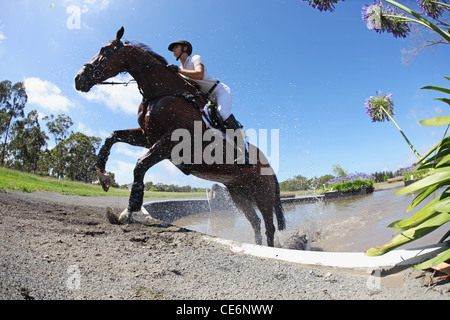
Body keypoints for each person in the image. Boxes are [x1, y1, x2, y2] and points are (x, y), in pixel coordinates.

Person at [168, 40, 250, 164]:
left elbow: (199, 75)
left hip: (220, 91)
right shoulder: (180, 68)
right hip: (208, 98)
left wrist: (178, 72)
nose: (173, 50)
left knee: (222, 114)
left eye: (176, 47)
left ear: (185, 48)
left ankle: (244, 150)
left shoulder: (195, 58)